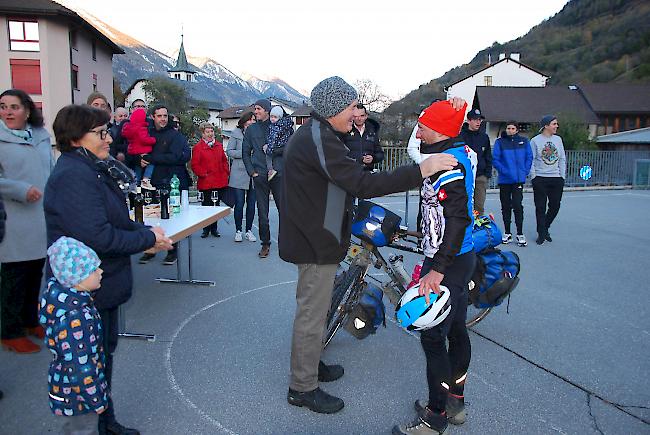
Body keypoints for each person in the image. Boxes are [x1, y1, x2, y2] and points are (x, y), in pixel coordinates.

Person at [279, 76, 461, 415]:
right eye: (351, 107)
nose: (356, 113)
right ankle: (301, 387)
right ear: (333, 108)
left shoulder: (323, 135)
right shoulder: (319, 139)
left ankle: (310, 365)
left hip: (319, 237)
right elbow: (361, 183)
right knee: (312, 314)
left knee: (320, 310)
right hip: (314, 242)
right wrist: (421, 169)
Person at [45, 104, 173, 435]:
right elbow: (97, 235)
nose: (109, 137)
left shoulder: (91, 168)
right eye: (101, 133)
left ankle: (105, 422)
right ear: (76, 138)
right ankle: (95, 426)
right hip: (84, 293)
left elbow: (114, 219)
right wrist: (146, 239)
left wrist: (145, 233)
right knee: (88, 363)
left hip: (99, 287)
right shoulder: (75, 175)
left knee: (100, 358)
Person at [393, 100, 477, 435]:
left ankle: (434, 417)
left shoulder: (447, 164)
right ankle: (454, 402)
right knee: (456, 330)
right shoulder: (457, 149)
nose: (418, 130)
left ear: (440, 130)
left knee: (432, 336)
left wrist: (438, 268)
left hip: (449, 259)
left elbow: (458, 218)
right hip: (458, 255)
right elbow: (418, 144)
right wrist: (452, 106)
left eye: (424, 124)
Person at [0, 89, 53, 354]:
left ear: (28, 110)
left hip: (40, 215)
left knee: (35, 272)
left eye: (14, 107)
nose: (8, 112)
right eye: (3, 107)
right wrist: (19, 190)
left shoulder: (42, 137)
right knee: (14, 277)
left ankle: (30, 321)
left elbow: (49, 170)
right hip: (13, 217)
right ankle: (9, 331)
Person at [40, 236, 108, 434]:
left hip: (66, 388)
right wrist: (96, 399)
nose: (101, 272)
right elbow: (80, 365)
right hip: (78, 397)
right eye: (94, 270)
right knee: (83, 430)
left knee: (73, 430)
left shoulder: (65, 300)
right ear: (78, 278)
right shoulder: (76, 317)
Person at [138, 104, 191, 265]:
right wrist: (140, 159)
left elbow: (175, 157)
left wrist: (151, 158)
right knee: (150, 216)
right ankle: (150, 248)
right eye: (159, 116)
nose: (163, 119)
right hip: (151, 181)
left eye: (165, 116)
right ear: (153, 117)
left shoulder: (174, 135)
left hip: (170, 180)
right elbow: (136, 151)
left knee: (170, 218)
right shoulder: (147, 133)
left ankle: (171, 250)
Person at [242, 99, 284, 258]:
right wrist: (252, 172)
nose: (256, 112)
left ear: (267, 110)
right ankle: (265, 244)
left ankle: (284, 243)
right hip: (259, 174)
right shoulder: (251, 129)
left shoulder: (280, 126)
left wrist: (274, 150)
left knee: (283, 211)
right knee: (262, 212)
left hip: (278, 174)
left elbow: (288, 148)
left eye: (258, 109)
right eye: (255, 109)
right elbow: (245, 153)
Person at [492, 121, 533, 246]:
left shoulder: (524, 141)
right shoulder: (500, 142)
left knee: (517, 205)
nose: (510, 130)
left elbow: (529, 157)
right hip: (505, 180)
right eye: (508, 128)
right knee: (505, 205)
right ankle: (507, 232)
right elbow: (496, 159)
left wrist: (524, 171)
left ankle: (520, 233)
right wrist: (505, 171)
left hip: (518, 180)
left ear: (516, 130)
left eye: (512, 128)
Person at [530, 115, 566, 245]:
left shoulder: (558, 140)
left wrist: (562, 176)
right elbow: (531, 160)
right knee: (540, 207)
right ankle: (541, 233)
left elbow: (562, 158)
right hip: (540, 178)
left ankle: (545, 227)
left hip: (556, 178)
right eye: (554, 124)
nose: (556, 126)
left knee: (555, 205)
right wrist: (534, 176)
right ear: (546, 126)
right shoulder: (535, 141)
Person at [191, 122, 230, 238]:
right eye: (207, 132)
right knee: (206, 206)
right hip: (206, 182)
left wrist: (225, 171)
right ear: (202, 134)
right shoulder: (198, 147)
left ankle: (214, 228)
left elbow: (224, 160)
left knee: (216, 206)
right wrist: (203, 174)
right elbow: (195, 164)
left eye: (211, 131)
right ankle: (206, 229)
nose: (210, 134)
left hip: (218, 180)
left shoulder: (218, 145)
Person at [227, 112, 257, 243]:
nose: (252, 122)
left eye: (254, 120)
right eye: (250, 120)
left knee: (251, 204)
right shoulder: (236, 133)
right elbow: (230, 151)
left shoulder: (258, 133)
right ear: (244, 121)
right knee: (239, 204)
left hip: (254, 173)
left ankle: (248, 230)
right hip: (239, 172)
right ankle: (238, 230)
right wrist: (245, 153)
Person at [460, 108, 492, 215]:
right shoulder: (461, 136)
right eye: (475, 119)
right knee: (463, 204)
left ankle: (478, 230)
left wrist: (487, 174)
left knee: (479, 207)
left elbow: (488, 156)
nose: (478, 122)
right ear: (469, 121)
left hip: (480, 176)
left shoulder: (484, 137)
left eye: (480, 120)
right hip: (464, 176)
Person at [343, 103, 384, 171]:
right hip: (349, 172)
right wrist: (360, 159)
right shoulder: (345, 130)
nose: (359, 119)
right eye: (356, 116)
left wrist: (373, 158)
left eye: (362, 116)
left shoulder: (372, 132)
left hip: (367, 173)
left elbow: (380, 154)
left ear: (366, 116)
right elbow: (340, 153)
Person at [122, 108, 156, 188]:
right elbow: (144, 139)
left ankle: (135, 182)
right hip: (143, 150)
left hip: (134, 151)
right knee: (151, 164)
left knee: (138, 168)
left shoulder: (129, 128)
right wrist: (153, 140)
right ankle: (146, 178)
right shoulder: (141, 128)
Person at [266, 106, 294, 181]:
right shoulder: (287, 125)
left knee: (268, 157)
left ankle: (270, 170)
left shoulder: (275, 127)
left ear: (280, 117)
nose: (272, 119)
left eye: (275, 117)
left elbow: (273, 139)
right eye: (271, 116)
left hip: (276, 147)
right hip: (284, 148)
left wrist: (269, 149)